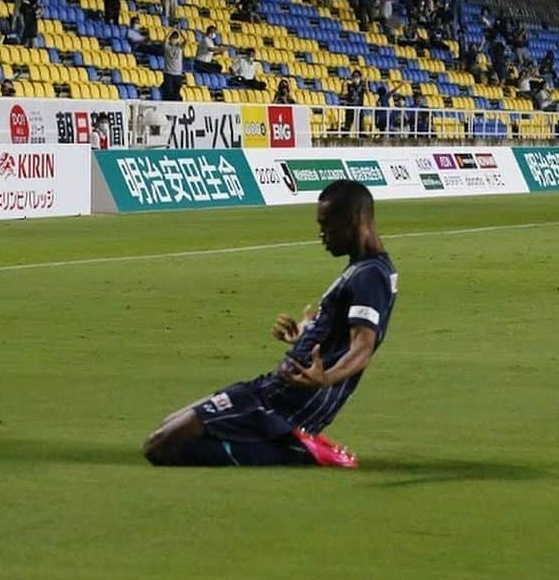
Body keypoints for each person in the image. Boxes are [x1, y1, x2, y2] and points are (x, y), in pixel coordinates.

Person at [142, 180, 398, 468]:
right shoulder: (365, 268)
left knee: (161, 446)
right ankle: (287, 444)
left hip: (287, 400)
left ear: (353, 220)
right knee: (169, 429)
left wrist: (325, 377)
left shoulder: (370, 275)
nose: (321, 234)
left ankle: (299, 452)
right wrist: (304, 334)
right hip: (275, 388)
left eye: (326, 224)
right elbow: (339, 334)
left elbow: (362, 346)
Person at [161, 29, 185, 101]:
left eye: (176, 38)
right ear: (170, 39)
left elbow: (186, 41)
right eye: (173, 38)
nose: (174, 40)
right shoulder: (167, 47)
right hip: (169, 73)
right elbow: (165, 40)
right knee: (169, 92)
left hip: (178, 74)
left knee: (177, 92)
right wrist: (171, 31)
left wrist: (180, 32)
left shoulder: (180, 48)